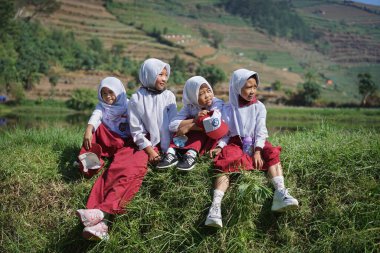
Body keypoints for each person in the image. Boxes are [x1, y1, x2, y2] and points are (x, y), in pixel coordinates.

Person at [205, 69, 299, 228]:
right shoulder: (228, 109)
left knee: (271, 153)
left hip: (255, 141)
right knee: (225, 161)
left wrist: (257, 150)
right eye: (248, 87)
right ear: (237, 87)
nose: (252, 91)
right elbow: (227, 134)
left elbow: (261, 130)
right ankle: (215, 208)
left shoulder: (259, 107)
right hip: (236, 142)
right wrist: (221, 146)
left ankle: (280, 193)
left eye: (255, 86)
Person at [75, 77, 149, 240]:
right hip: (116, 142)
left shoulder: (129, 105)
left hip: (128, 143)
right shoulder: (103, 107)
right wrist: (89, 128)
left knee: (123, 171)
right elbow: (96, 116)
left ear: (119, 92)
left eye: (111, 92)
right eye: (104, 93)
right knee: (96, 132)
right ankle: (90, 163)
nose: (108, 96)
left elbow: (138, 127)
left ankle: (102, 220)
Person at [156, 76, 228, 171]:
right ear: (193, 96)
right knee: (188, 123)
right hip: (195, 133)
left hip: (210, 137)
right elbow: (172, 125)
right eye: (201, 94)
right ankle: (171, 153)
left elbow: (213, 124)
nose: (207, 95)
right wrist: (194, 120)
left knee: (204, 118)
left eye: (208, 91)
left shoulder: (216, 103)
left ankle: (191, 155)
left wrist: (190, 126)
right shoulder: (189, 106)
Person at [128, 58, 177, 167]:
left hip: (170, 144)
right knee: (132, 166)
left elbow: (174, 124)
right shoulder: (136, 99)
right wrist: (151, 152)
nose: (164, 79)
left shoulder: (168, 96)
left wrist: (171, 149)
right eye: (160, 74)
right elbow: (136, 131)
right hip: (148, 144)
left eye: (166, 75)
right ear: (149, 75)